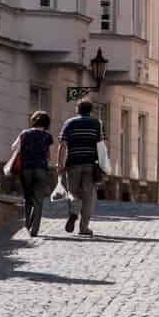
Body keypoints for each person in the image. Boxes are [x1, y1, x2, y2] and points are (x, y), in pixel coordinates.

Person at [57, 100, 104, 237]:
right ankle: (84, 228)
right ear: (91, 110)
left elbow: (62, 145)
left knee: (73, 192)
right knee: (88, 196)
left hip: (73, 163)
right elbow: (101, 145)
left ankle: (73, 211)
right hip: (91, 164)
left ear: (78, 109)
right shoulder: (97, 124)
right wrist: (103, 164)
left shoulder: (69, 123)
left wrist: (60, 164)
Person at [8, 111, 54, 238]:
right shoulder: (47, 136)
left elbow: (13, 147)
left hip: (26, 169)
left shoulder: (25, 133)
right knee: (39, 200)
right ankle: (35, 229)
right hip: (41, 169)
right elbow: (48, 156)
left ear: (33, 120)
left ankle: (27, 224)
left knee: (28, 198)